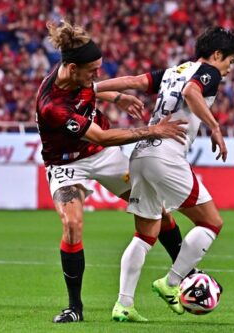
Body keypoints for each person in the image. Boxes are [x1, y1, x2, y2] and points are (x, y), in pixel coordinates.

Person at [36, 21, 188, 323]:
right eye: (92, 70)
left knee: (156, 207)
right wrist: (153, 130)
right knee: (72, 224)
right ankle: (74, 307)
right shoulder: (52, 105)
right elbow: (102, 136)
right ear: (70, 67)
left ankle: (186, 275)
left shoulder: (73, 77)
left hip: (103, 157)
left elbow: (93, 90)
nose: (97, 75)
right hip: (67, 164)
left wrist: (117, 97)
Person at [96, 27, 234, 321]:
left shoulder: (175, 70)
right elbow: (191, 92)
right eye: (230, 60)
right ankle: (171, 282)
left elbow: (135, 81)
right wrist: (214, 126)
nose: (229, 68)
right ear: (216, 55)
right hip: (166, 155)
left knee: (145, 234)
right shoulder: (208, 72)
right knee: (211, 222)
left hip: (140, 154)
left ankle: (124, 304)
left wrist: (92, 88)